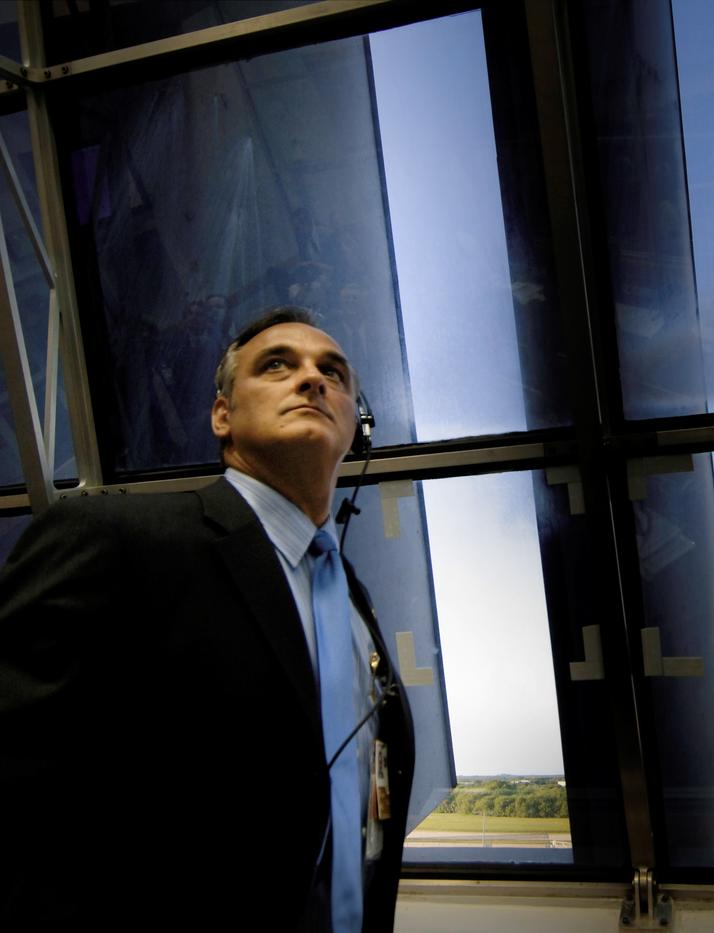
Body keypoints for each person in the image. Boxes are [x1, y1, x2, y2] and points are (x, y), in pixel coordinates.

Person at [0, 307, 414, 931]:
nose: (312, 380)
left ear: (355, 428)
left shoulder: (354, 601)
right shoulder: (114, 538)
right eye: (277, 365)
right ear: (223, 416)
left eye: (333, 372)